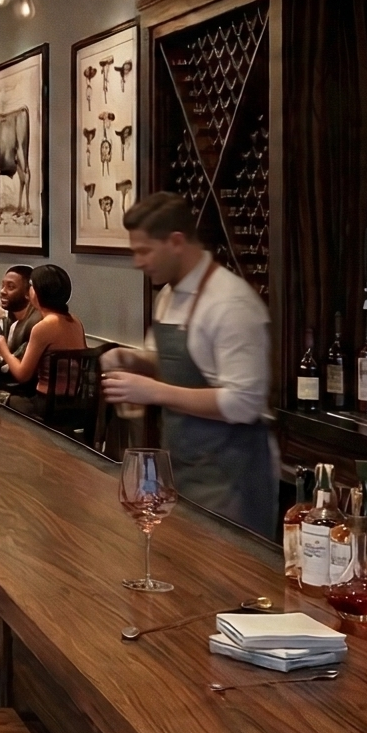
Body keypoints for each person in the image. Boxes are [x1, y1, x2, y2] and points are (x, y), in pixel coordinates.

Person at [101, 191, 278, 537]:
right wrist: (133, 361)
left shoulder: (230, 303)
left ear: (176, 242)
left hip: (230, 478)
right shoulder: (168, 295)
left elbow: (242, 403)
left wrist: (153, 391)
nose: (137, 262)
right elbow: (166, 363)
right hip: (181, 467)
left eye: (144, 251)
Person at [0, 262, 83, 393]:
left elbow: (22, 375)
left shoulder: (43, 326)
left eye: (31, 286)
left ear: (38, 292)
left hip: (45, 403)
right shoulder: (75, 321)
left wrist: (2, 347)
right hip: (75, 401)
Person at [0, 264, 37, 347]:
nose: (2, 291)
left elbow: (20, 358)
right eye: (2, 286)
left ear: (28, 292)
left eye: (11, 287)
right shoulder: (7, 319)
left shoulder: (35, 324)